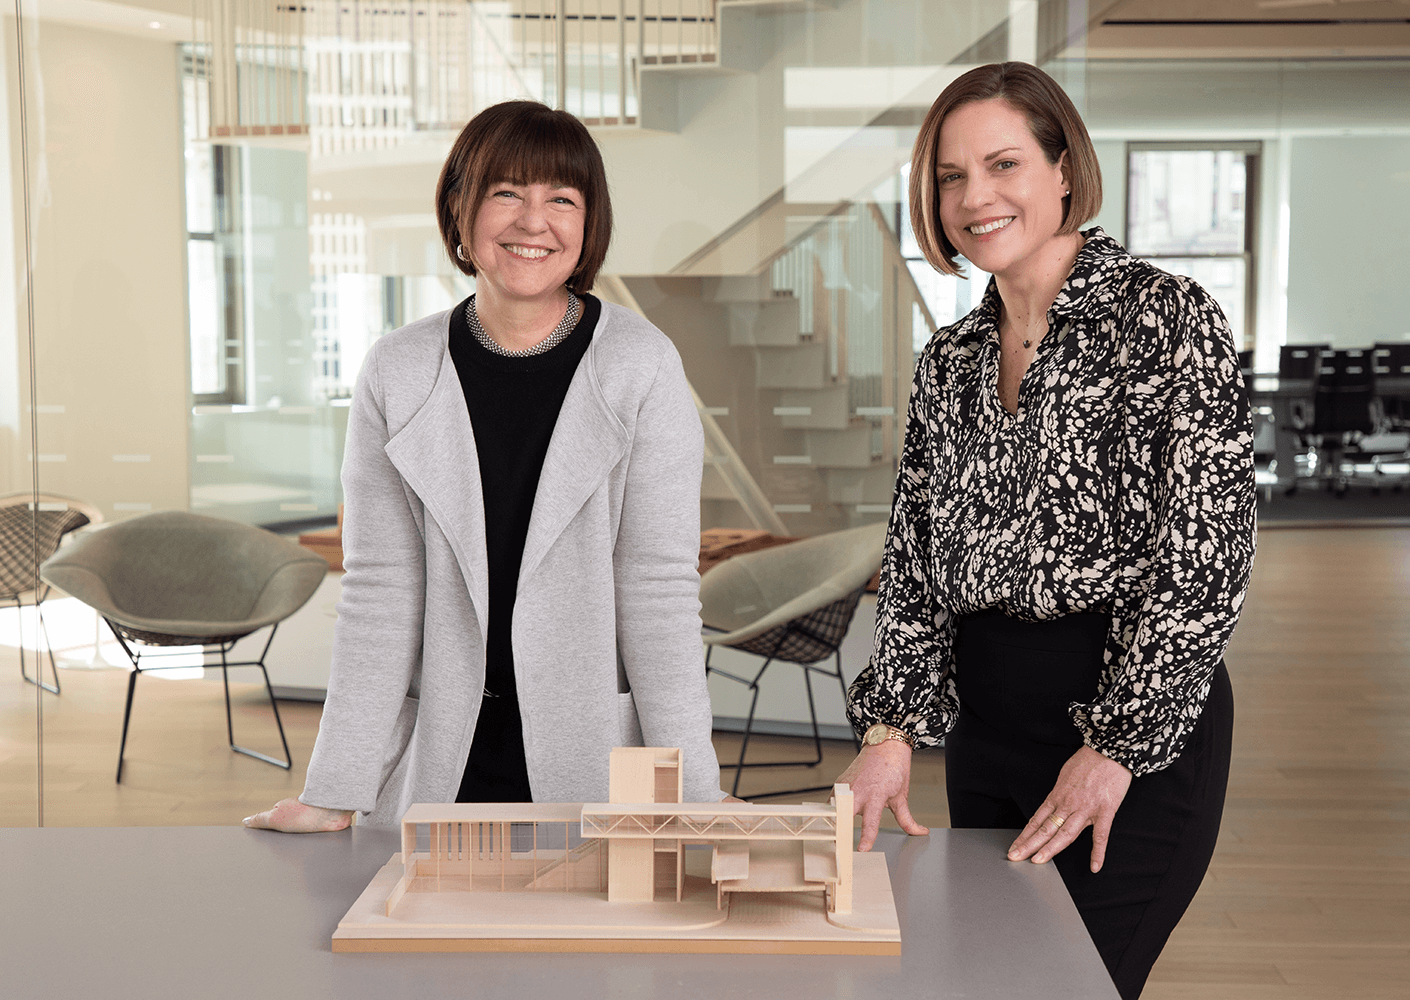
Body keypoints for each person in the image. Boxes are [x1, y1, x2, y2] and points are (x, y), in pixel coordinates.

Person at [837, 63, 1254, 1000]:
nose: (975, 197)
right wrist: (893, 726)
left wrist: (1117, 747)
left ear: (1064, 168)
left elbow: (1207, 561)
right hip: (990, 734)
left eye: (1003, 164)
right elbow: (915, 564)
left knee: (1073, 986)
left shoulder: (1166, 319)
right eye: (950, 177)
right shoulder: (949, 361)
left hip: (1132, 734)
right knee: (987, 981)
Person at [246, 100, 722, 833]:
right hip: (441, 755)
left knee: (593, 948)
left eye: (562, 198)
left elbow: (657, 591)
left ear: (588, 224)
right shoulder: (397, 370)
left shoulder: (641, 366)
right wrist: (335, 789)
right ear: (460, 211)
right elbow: (380, 591)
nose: (535, 222)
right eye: (507, 193)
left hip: (589, 754)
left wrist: (696, 792)